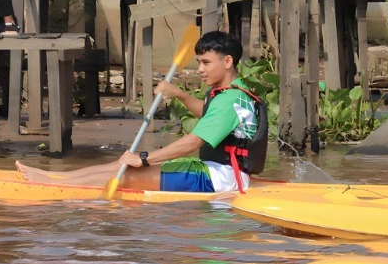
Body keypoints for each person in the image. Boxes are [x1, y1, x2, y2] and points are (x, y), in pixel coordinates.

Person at [14, 30, 267, 193]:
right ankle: (54, 178)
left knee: (127, 176)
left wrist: (145, 158)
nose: (200, 69)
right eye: (198, 62)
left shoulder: (228, 99)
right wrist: (180, 94)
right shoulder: (236, 93)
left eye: (205, 63)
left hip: (219, 179)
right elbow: (210, 114)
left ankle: (52, 187)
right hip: (219, 172)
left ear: (227, 61)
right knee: (122, 164)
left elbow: (192, 142)